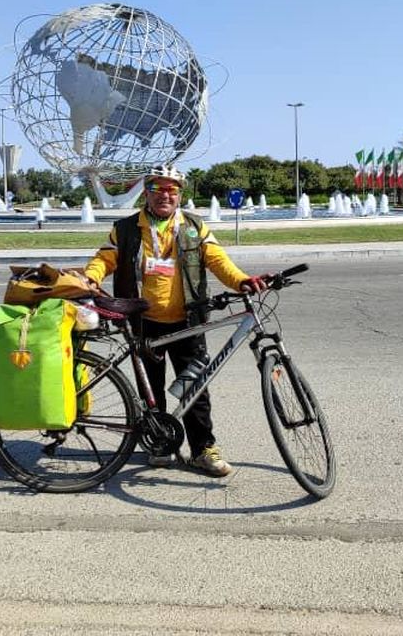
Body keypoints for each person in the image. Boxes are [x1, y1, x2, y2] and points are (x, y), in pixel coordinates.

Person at [83, 164, 267, 477]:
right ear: (147, 193)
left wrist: (242, 282)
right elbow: (104, 259)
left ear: (180, 194)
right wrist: (89, 278)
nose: (164, 195)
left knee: (195, 389)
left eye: (171, 189)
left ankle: (202, 449)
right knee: (149, 389)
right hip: (143, 322)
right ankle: (158, 443)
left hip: (188, 322)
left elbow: (219, 262)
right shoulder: (126, 228)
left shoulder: (194, 227)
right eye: (157, 189)